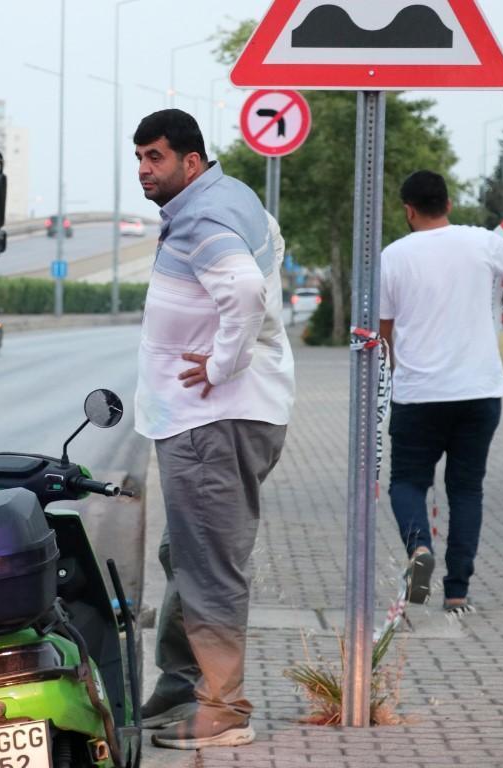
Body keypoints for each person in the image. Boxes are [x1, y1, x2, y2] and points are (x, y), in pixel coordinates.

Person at [132, 109, 294, 750]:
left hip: (213, 422)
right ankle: (180, 688)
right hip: (217, 420)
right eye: (140, 159)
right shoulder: (232, 197)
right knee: (186, 557)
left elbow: (247, 292)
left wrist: (225, 362)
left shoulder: (202, 215)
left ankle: (223, 710)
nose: (144, 171)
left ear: (190, 162)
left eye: (156, 158)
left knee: (210, 570)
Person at [379, 170, 503, 614]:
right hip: (479, 391)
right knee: (466, 489)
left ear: (408, 210)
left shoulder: (393, 256)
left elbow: (383, 331)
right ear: (449, 204)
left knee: (408, 482)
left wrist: (398, 369)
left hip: (419, 394)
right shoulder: (480, 242)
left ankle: (419, 548)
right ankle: (456, 592)